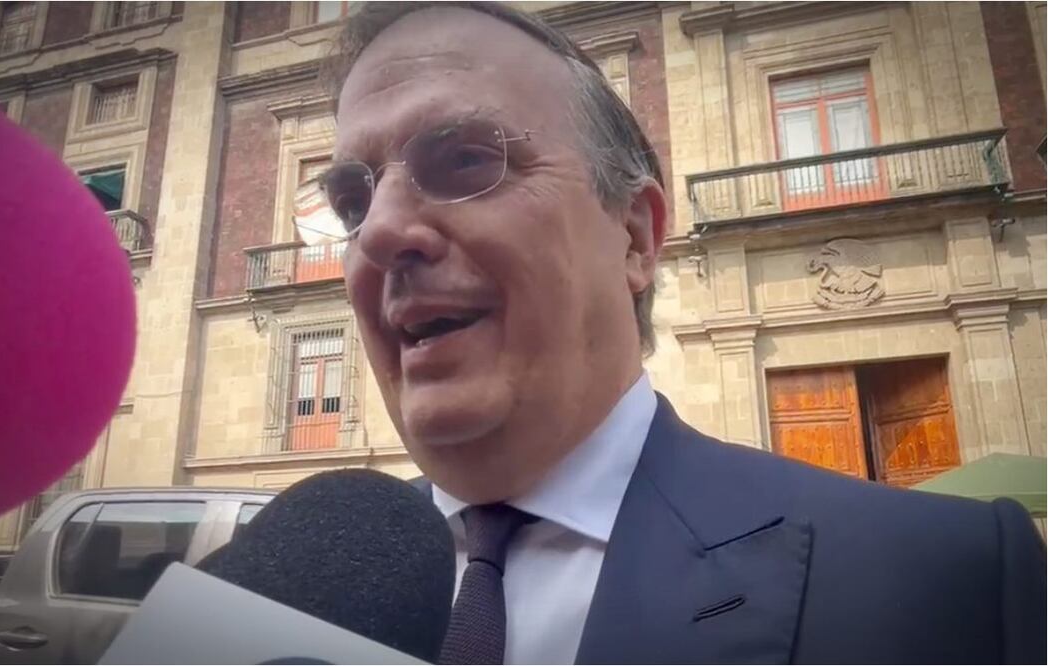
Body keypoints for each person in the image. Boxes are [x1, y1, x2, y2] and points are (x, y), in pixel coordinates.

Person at [319, 2, 1047, 663]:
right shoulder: (305, 584)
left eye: (466, 161)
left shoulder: (955, 579)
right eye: (353, 202)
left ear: (634, 237)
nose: (378, 230)